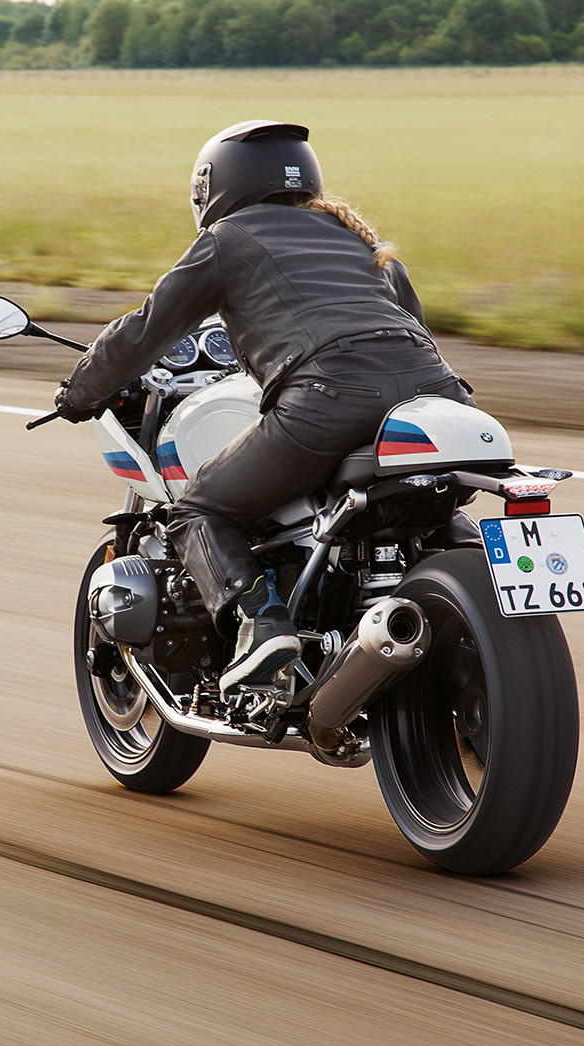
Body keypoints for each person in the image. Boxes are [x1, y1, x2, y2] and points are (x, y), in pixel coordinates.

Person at [54, 120, 472, 691]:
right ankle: (475, 614)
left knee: (198, 508)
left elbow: (146, 331)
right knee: (436, 509)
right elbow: (410, 328)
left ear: (214, 186)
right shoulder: (361, 241)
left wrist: (80, 392)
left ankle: (261, 620)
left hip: (328, 399)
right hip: (440, 397)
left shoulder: (229, 239)